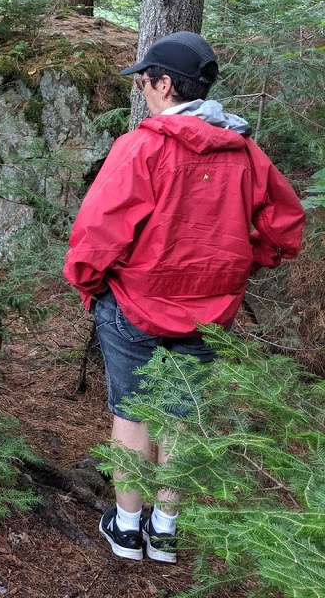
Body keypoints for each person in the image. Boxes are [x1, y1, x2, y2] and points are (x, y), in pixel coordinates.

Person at [63, 31, 305, 563]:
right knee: (181, 416)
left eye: (145, 81)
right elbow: (285, 227)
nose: (143, 90)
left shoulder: (142, 146)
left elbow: (98, 233)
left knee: (132, 414)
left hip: (133, 306)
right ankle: (165, 532)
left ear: (166, 83)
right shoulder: (246, 153)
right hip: (211, 314)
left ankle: (127, 528)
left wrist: (90, 286)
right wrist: (238, 267)